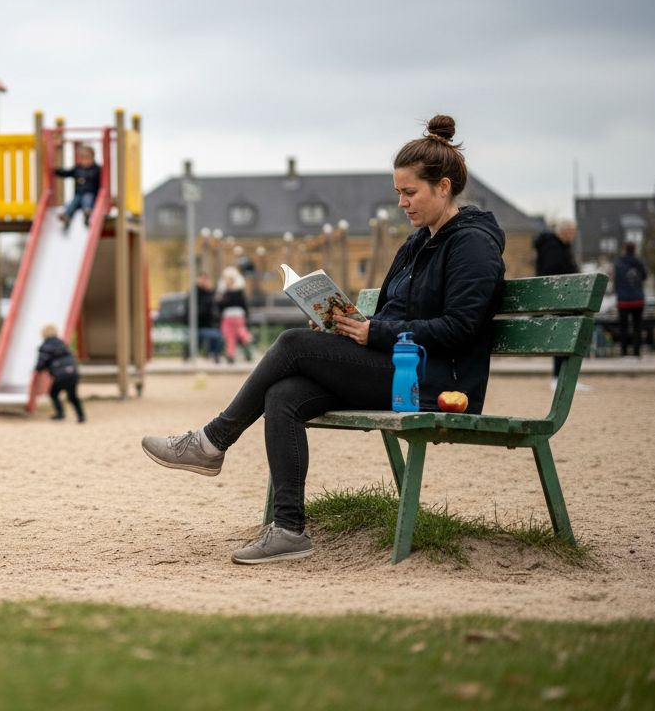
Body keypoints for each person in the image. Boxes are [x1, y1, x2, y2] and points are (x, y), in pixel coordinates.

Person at [141, 114, 506, 565]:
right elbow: (395, 313)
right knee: (285, 393)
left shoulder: (472, 244)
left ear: (444, 187)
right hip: (399, 366)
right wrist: (342, 320)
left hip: (438, 383)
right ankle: (289, 530)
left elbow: (460, 328)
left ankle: (211, 442)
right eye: (398, 193)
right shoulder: (417, 243)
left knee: (292, 346)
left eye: (410, 193)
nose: (401, 203)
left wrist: (374, 331)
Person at [532, 220, 587, 387]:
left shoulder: (559, 245)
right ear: (564, 231)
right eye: (571, 231)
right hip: (560, 296)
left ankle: (563, 377)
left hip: (563, 296)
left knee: (565, 335)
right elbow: (552, 270)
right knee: (563, 336)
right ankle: (559, 377)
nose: (573, 234)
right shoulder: (553, 246)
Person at [35, 323, 85, 423]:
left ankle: (60, 413)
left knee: (53, 393)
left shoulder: (44, 347)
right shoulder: (62, 344)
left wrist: (38, 369)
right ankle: (81, 416)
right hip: (73, 372)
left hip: (60, 374)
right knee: (73, 396)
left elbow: (42, 363)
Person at [613, 241, 649, 358]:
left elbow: (616, 282)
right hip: (638, 299)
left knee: (623, 327)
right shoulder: (639, 262)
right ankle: (636, 352)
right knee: (637, 326)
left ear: (624, 249)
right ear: (635, 250)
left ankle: (623, 352)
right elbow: (644, 276)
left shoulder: (618, 264)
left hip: (623, 300)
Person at [53, 144, 101, 228]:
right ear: (80, 160)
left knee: (87, 199)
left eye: (88, 158)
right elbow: (67, 173)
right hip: (79, 194)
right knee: (73, 202)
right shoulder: (78, 169)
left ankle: (87, 212)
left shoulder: (96, 169)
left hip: (90, 193)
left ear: (93, 158)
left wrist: (85, 179)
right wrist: (56, 171)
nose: (86, 161)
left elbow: (98, 179)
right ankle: (67, 216)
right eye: (83, 159)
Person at [217, 266, 254, 364]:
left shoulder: (225, 292)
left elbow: (220, 305)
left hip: (229, 316)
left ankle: (231, 354)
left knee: (230, 335)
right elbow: (244, 304)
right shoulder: (239, 291)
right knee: (235, 333)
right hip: (237, 315)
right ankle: (245, 339)